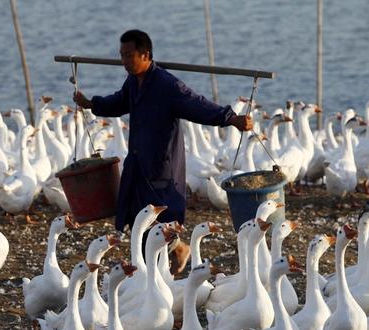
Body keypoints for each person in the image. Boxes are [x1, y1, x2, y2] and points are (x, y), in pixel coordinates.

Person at [73, 29, 252, 275]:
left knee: (158, 222)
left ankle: (155, 275)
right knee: (139, 219)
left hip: (161, 165)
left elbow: (197, 104)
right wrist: (93, 104)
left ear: (145, 55)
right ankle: (173, 254)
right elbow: (118, 102)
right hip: (138, 161)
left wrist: (230, 118)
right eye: (122, 56)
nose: (124, 62)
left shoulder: (167, 86)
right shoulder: (134, 83)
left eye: (129, 56)